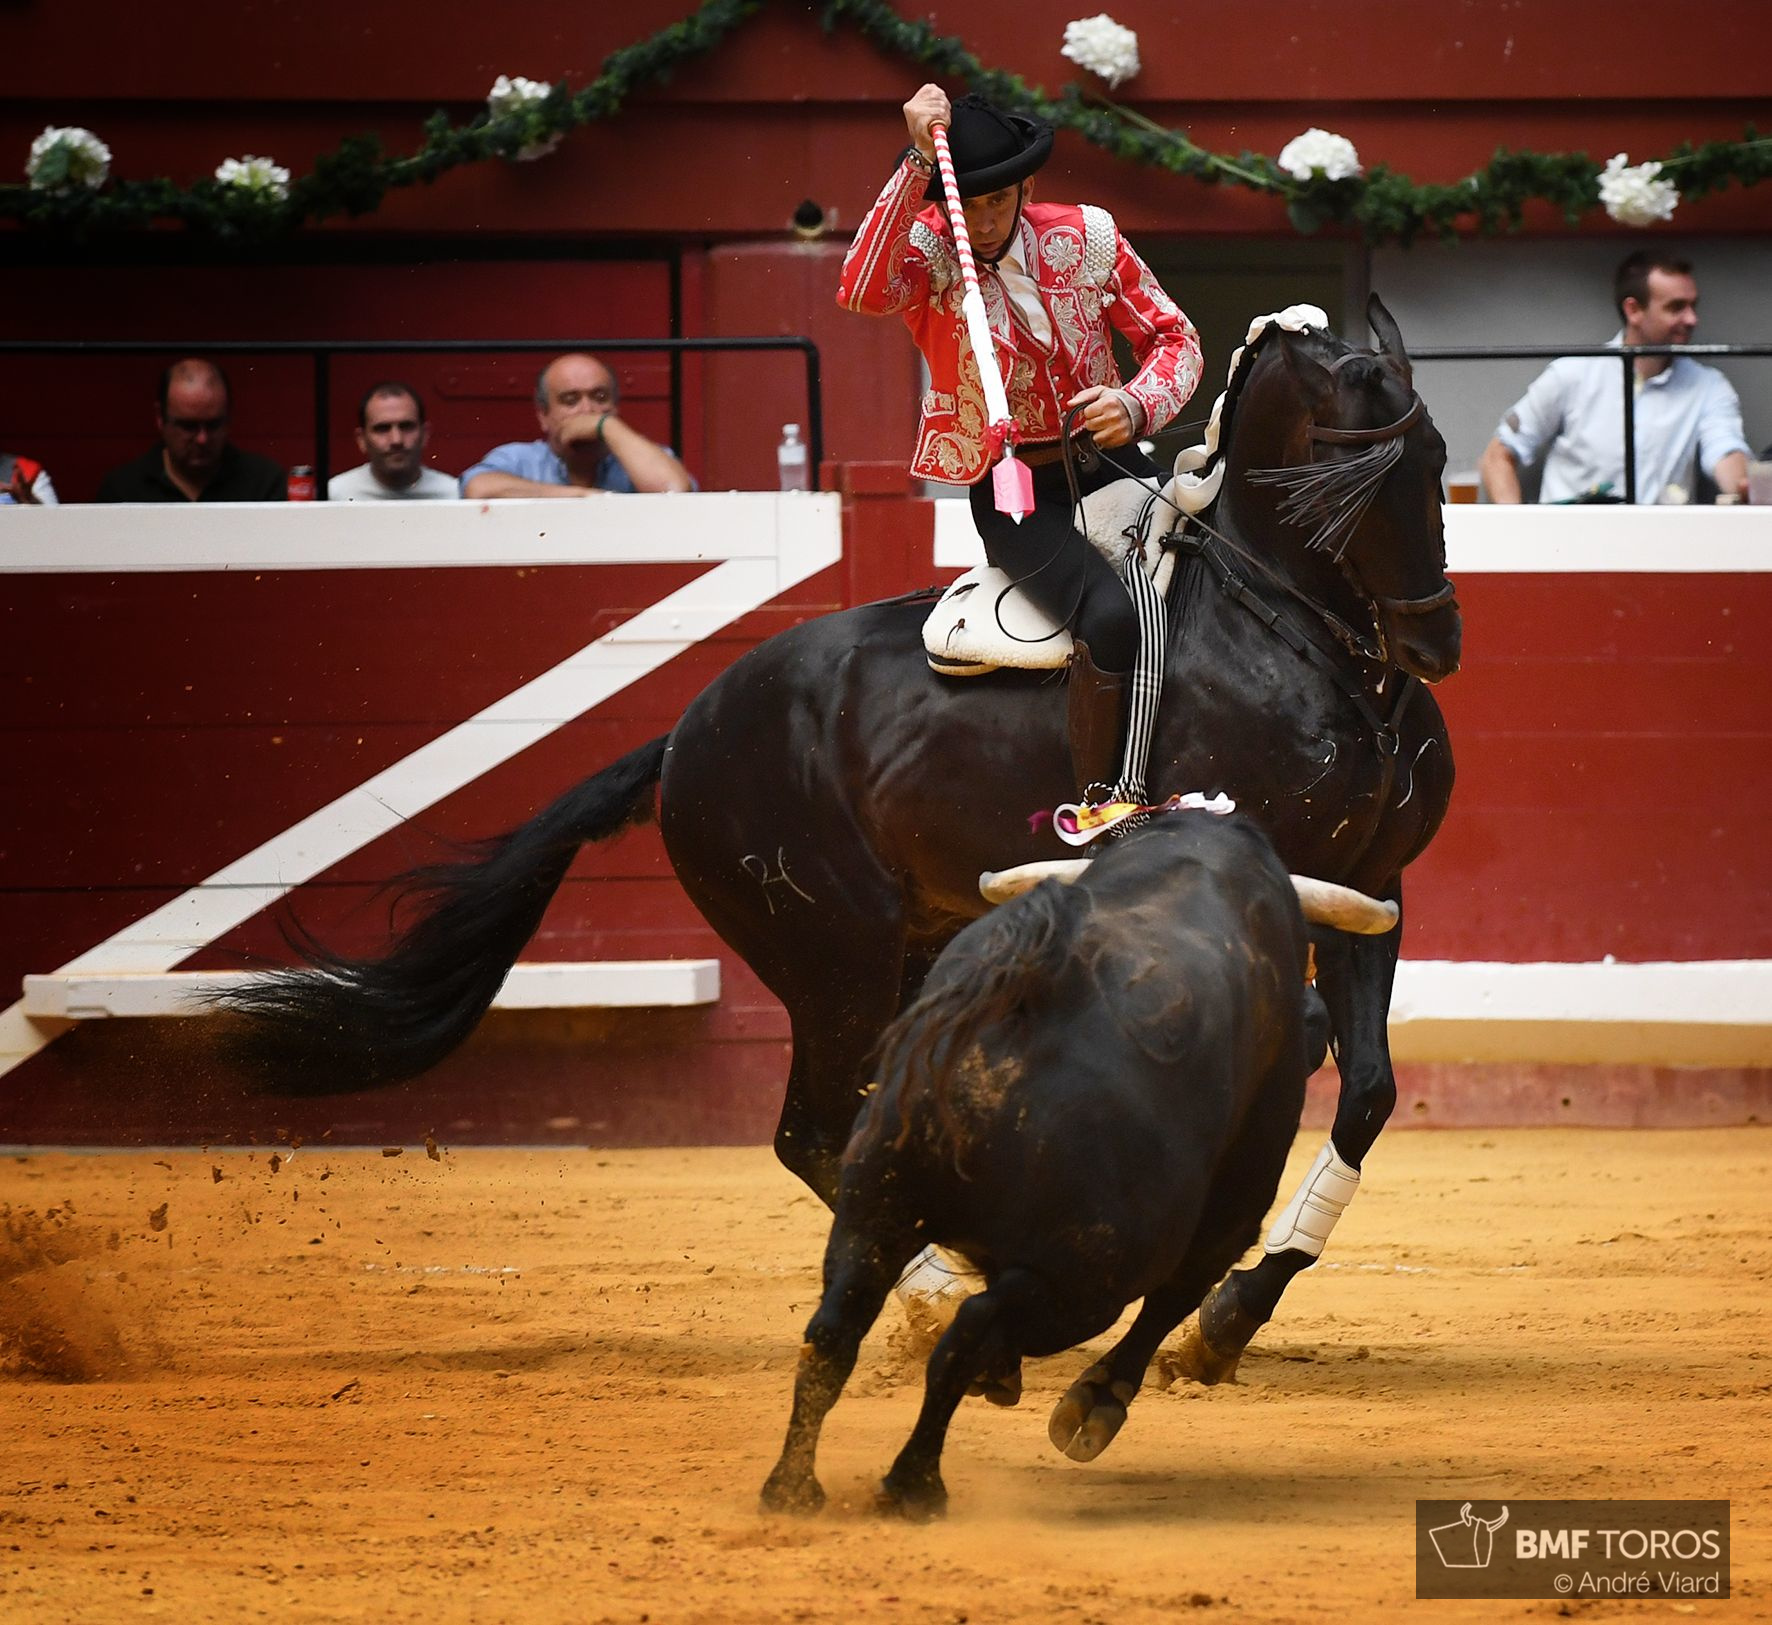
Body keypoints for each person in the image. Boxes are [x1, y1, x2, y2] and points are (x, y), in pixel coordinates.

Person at [838, 85, 1203, 815]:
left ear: (1026, 188)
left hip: (1115, 465)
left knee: (1208, 591)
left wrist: (1135, 404)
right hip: (1019, 493)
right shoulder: (931, 250)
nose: (980, 221)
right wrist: (917, 164)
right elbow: (860, 290)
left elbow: (1175, 338)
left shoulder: (1087, 235)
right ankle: (1105, 803)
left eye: (997, 201)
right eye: (966, 204)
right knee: (1110, 617)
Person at [1479, 250, 1749, 506]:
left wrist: (1744, 484)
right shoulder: (1572, 373)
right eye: (1676, 307)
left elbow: (1725, 449)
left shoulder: (1708, 385)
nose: (1692, 319)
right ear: (1633, 310)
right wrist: (1519, 528)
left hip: (1657, 537)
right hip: (1570, 535)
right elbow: (1497, 457)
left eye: (1693, 306)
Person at [459, 353, 693, 498]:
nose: (587, 410)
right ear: (543, 415)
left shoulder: (642, 456)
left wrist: (607, 426)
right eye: (570, 400)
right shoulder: (519, 459)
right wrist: (580, 498)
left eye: (600, 397)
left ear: (615, 407)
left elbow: (676, 491)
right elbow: (477, 488)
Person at [96, 359, 286, 503]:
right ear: (160, 418)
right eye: (188, 426)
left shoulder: (265, 483)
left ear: (228, 417)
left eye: (213, 425)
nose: (202, 439)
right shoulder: (123, 490)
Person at [329, 383, 458, 500]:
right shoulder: (335, 495)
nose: (396, 440)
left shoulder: (453, 495)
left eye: (406, 427)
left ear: (425, 434)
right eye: (382, 429)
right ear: (361, 439)